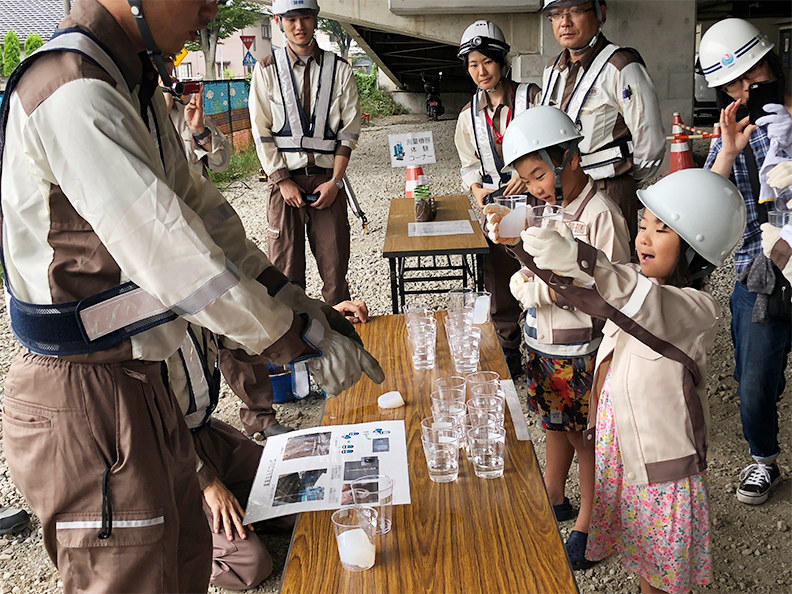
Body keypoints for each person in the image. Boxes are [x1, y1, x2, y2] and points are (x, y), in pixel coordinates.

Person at [0, 0, 382, 591]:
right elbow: (176, 259)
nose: (212, 7)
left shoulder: (134, 84)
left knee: (179, 566)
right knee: (134, 575)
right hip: (86, 387)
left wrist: (301, 305)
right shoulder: (73, 90)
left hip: (144, 379)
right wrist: (291, 338)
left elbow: (207, 221)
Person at [520, 169, 746, 594]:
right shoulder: (641, 285)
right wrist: (523, 249)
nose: (643, 237)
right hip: (627, 454)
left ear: (696, 250)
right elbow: (593, 290)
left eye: (661, 230)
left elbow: (622, 293)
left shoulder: (696, 309)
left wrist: (580, 257)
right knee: (644, 561)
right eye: (643, 224)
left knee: (661, 577)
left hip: (663, 473)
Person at [485, 105, 630, 570]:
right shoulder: (548, 212)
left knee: (583, 434)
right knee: (552, 420)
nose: (535, 188)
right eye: (527, 182)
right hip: (544, 342)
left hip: (582, 347)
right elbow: (533, 267)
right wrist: (515, 249)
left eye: (539, 174)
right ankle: (554, 495)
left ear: (568, 158)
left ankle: (590, 522)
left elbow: (613, 288)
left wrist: (540, 288)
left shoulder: (600, 216)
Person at [167, 300, 372, 589]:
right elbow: (147, 427)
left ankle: (242, 513)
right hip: (167, 454)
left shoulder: (195, 300)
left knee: (314, 499)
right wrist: (208, 484)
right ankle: (171, 539)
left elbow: (252, 328)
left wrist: (314, 323)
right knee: (250, 565)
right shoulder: (141, 319)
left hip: (206, 433)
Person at [701, 18, 791, 505]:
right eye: (731, 84)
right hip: (761, 273)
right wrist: (726, 153)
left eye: (752, 75)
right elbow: (709, 213)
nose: (744, 89)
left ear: (772, 66)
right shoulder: (732, 134)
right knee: (753, 381)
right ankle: (764, 460)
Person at [249, 0, 361, 305]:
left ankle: (342, 342)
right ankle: (297, 347)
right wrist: (282, 181)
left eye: (306, 18)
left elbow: (348, 134)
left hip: (327, 183)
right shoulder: (266, 70)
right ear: (278, 21)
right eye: (291, 19)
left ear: (316, 19)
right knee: (285, 275)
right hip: (285, 185)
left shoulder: (340, 69)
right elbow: (261, 131)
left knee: (335, 271)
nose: (299, 26)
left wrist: (336, 182)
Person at [453, 20, 541, 377]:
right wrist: (476, 189)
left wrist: (530, 169)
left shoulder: (530, 98)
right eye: (473, 64)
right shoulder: (467, 115)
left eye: (486, 62)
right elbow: (468, 163)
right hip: (497, 204)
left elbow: (552, 140)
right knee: (500, 274)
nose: (481, 71)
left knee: (539, 265)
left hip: (534, 198)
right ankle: (508, 346)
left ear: (501, 61)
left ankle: (543, 343)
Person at [539, 0, 665, 242]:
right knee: (563, 267)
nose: (565, 22)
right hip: (563, 190)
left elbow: (651, 142)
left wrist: (624, 182)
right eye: (556, 14)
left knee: (612, 271)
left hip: (608, 187)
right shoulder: (553, 69)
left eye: (575, 11)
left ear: (600, 12)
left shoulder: (621, 66)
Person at [162, 60, 232, 177]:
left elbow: (221, 163)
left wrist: (199, 131)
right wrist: (163, 108)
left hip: (194, 193)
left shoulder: (186, 111)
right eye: (154, 61)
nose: (166, 65)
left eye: (169, 57)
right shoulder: (133, 113)